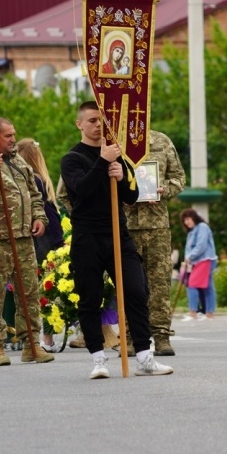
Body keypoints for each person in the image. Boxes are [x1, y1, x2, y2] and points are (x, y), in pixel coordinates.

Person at [60, 101, 172, 379]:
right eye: (92, 120)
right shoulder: (72, 158)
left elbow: (132, 196)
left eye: (101, 120)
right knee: (90, 298)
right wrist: (102, 161)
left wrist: (122, 177)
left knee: (136, 291)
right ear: (79, 124)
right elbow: (82, 190)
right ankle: (98, 359)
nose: (98, 126)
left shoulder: (116, 157)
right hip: (88, 237)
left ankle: (144, 356)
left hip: (118, 235)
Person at [0, 117, 52, 367]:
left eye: (13, 134)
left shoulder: (19, 162)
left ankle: (31, 345)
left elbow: (35, 194)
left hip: (23, 237)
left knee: (29, 293)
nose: (13, 139)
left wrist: (39, 217)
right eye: (7, 136)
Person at [125, 130, 185, 355]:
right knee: (128, 283)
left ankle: (161, 336)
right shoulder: (115, 142)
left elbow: (178, 178)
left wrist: (163, 189)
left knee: (160, 282)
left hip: (157, 224)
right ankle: (130, 337)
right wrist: (121, 194)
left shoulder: (161, 141)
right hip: (125, 224)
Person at [16, 138, 65, 353]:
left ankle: (37, 336)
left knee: (35, 287)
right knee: (47, 287)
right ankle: (46, 337)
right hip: (48, 237)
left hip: (38, 237)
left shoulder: (30, 181)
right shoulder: (42, 180)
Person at [181, 209, 218, 320]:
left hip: (204, 259)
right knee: (208, 287)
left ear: (194, 217)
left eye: (188, 219)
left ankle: (193, 313)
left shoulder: (202, 227)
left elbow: (201, 245)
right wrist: (188, 259)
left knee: (192, 285)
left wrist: (190, 257)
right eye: (184, 220)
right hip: (198, 261)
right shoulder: (192, 231)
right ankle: (209, 313)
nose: (186, 222)